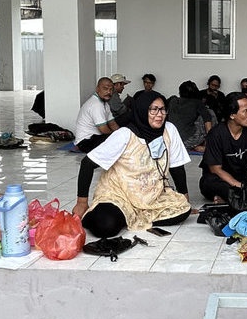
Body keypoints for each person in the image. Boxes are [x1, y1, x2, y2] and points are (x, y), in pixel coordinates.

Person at [72, 91, 192, 238]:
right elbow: (87, 163)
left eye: (162, 109)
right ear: (142, 110)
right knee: (105, 226)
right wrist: (81, 202)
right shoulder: (124, 134)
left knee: (184, 210)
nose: (159, 114)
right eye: (153, 109)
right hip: (119, 194)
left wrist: (185, 197)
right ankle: (115, 214)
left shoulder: (169, 130)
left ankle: (130, 217)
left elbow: (177, 166)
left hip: (151, 195)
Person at [74, 77, 119, 153]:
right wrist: (117, 137)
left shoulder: (105, 104)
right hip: (85, 142)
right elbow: (103, 129)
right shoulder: (96, 105)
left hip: (95, 138)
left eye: (111, 89)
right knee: (117, 143)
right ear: (97, 89)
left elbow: (113, 124)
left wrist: (122, 133)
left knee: (121, 138)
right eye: (105, 88)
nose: (109, 92)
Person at [167, 80, 213, 152]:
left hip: (170, 140)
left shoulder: (172, 100)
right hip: (188, 141)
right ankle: (208, 146)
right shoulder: (197, 103)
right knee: (209, 113)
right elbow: (207, 122)